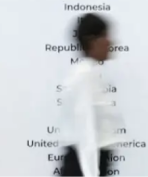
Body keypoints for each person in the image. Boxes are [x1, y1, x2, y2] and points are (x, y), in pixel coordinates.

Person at [59, 13, 123, 177]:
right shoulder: (85, 76)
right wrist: (91, 173)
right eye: (105, 36)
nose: (110, 42)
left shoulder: (93, 74)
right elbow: (85, 130)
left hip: (90, 164)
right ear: (92, 41)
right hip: (84, 167)